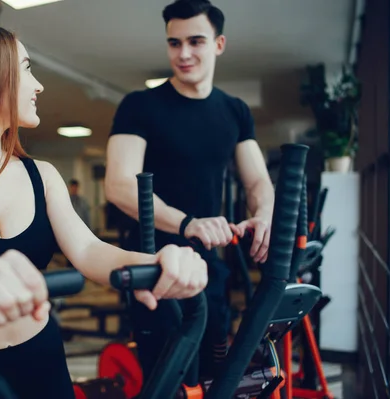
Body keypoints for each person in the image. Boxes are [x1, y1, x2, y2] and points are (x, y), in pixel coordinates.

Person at [0, 24, 209, 399]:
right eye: (26, 68)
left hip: (43, 363)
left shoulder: (42, 175)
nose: (38, 86)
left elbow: (89, 250)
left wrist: (157, 261)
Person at [104, 0, 274, 380]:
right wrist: (187, 223)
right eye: (174, 43)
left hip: (210, 263)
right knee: (169, 377)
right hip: (154, 264)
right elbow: (118, 184)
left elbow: (258, 181)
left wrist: (262, 214)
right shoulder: (140, 106)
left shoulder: (234, 111)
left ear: (219, 44)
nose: (183, 54)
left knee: (217, 372)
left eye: (195, 41)